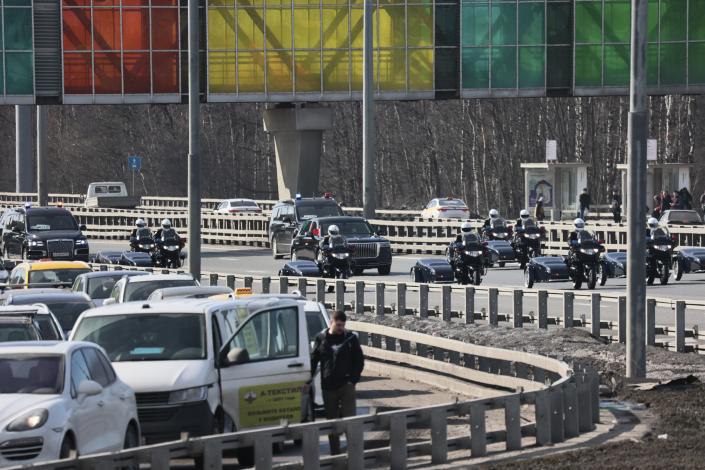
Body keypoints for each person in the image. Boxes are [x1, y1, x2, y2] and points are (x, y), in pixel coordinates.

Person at [309, 310, 364, 455]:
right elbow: (313, 360)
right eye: (338, 325)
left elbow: (359, 361)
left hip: (347, 386)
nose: (341, 328)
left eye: (343, 325)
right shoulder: (321, 338)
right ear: (331, 323)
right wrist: (308, 380)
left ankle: (354, 452)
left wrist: (353, 380)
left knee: (349, 420)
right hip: (328, 387)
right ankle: (335, 454)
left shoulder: (350, 339)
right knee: (331, 422)